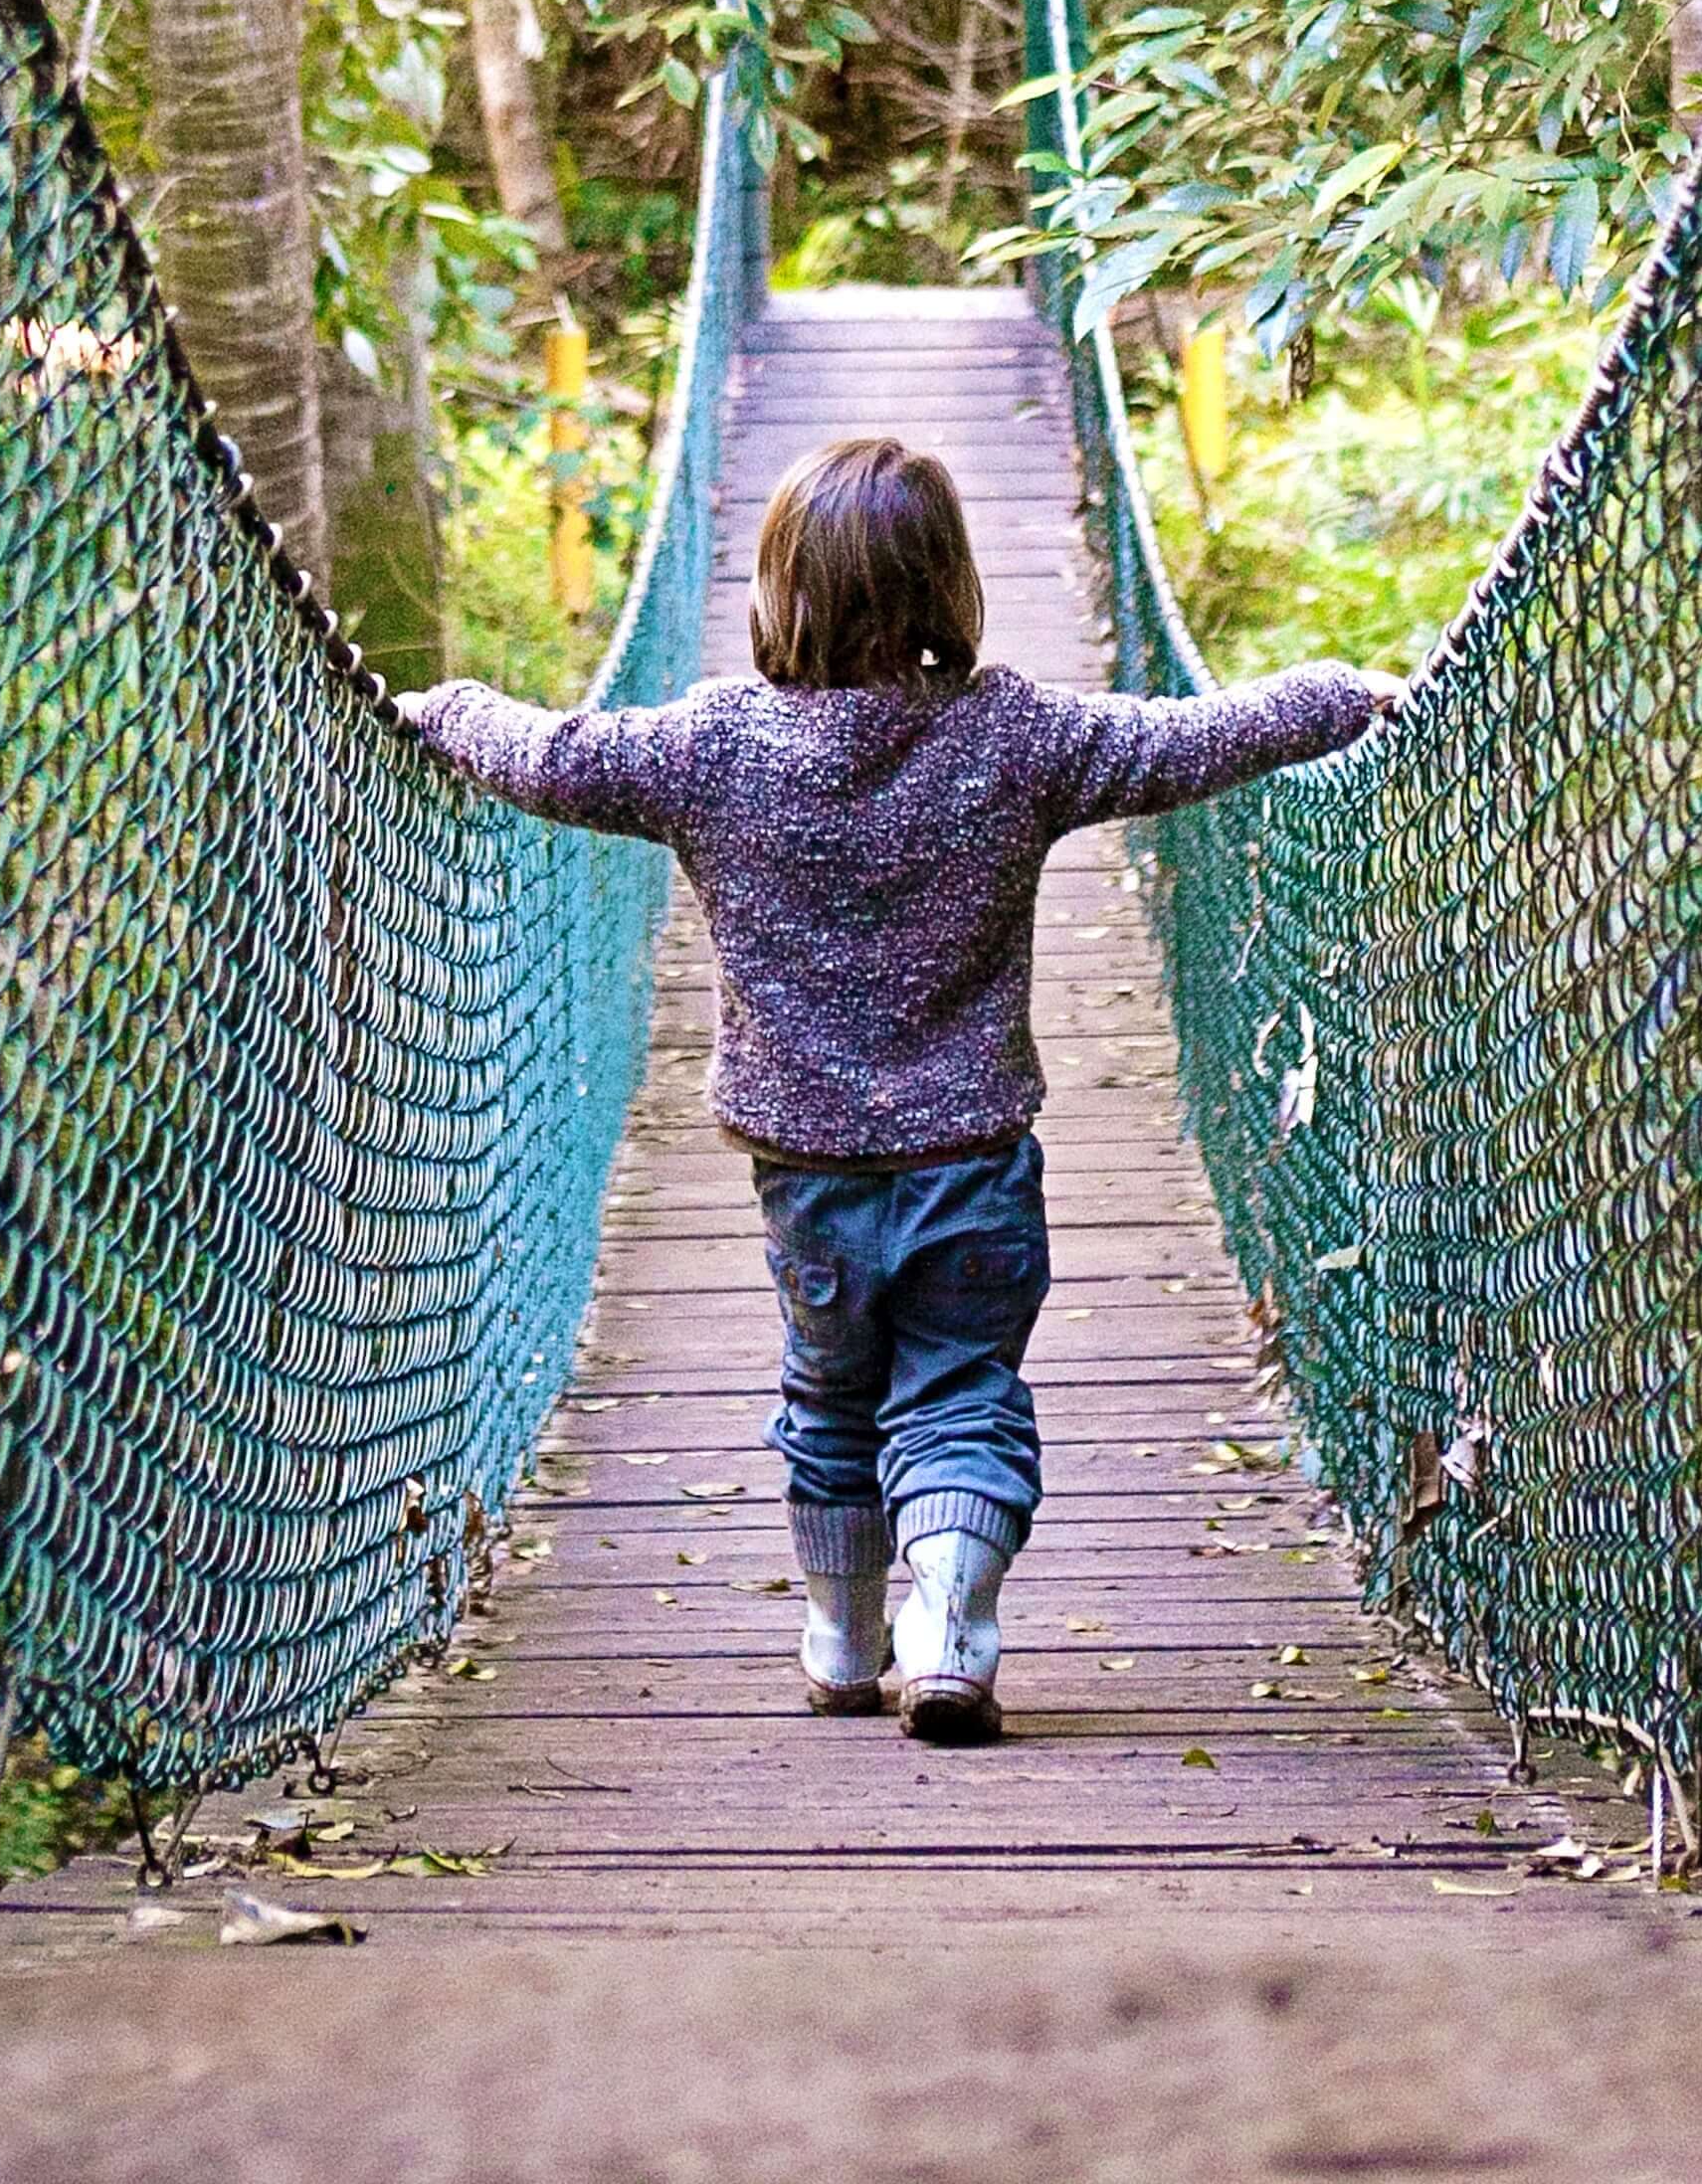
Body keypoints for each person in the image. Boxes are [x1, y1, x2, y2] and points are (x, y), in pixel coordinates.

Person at [402, 432, 1395, 1743]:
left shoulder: (709, 746)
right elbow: (1186, 741)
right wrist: (1339, 692)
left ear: (778, 592)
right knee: (960, 1391)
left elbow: (560, 758)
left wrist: (442, 708)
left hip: (808, 1180)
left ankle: (840, 1632)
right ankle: (951, 1618)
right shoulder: (1019, 736)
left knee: (828, 1393)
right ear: (948, 587)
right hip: (975, 1163)